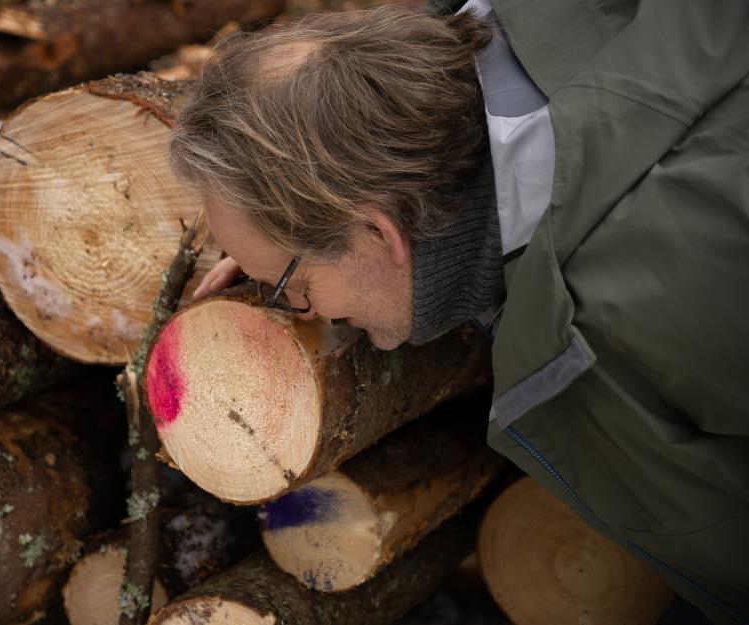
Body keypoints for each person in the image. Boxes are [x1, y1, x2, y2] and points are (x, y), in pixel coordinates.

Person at [167, 1, 749, 623]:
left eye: (291, 285)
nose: (299, 313)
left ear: (377, 231)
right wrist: (279, 254)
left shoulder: (678, 293)